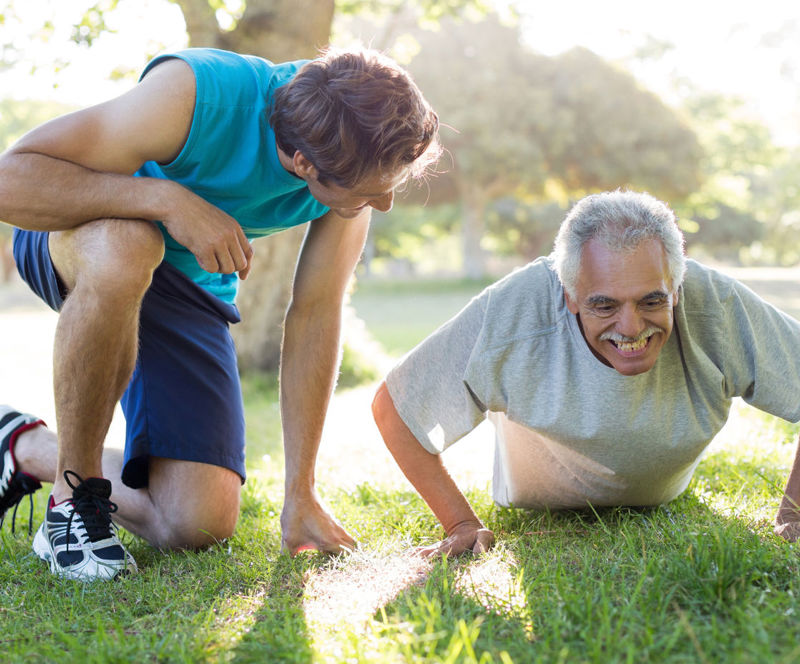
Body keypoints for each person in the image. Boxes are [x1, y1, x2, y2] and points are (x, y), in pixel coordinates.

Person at [0, 45, 440, 581]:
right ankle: (73, 501)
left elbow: (316, 314)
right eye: (370, 192)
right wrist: (166, 200)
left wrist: (300, 491)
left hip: (187, 285)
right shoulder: (195, 95)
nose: (385, 204)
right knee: (131, 247)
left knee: (195, 524)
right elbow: (11, 180)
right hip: (78, 231)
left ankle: (22, 445)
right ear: (303, 163)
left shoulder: (354, 152)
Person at [372, 190, 800, 557]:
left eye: (652, 301)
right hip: (537, 505)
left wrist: (792, 519)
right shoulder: (516, 310)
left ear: (677, 286)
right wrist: (459, 523)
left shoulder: (715, 305)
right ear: (570, 295)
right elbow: (395, 407)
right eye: (604, 305)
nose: (631, 328)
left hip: (661, 496)